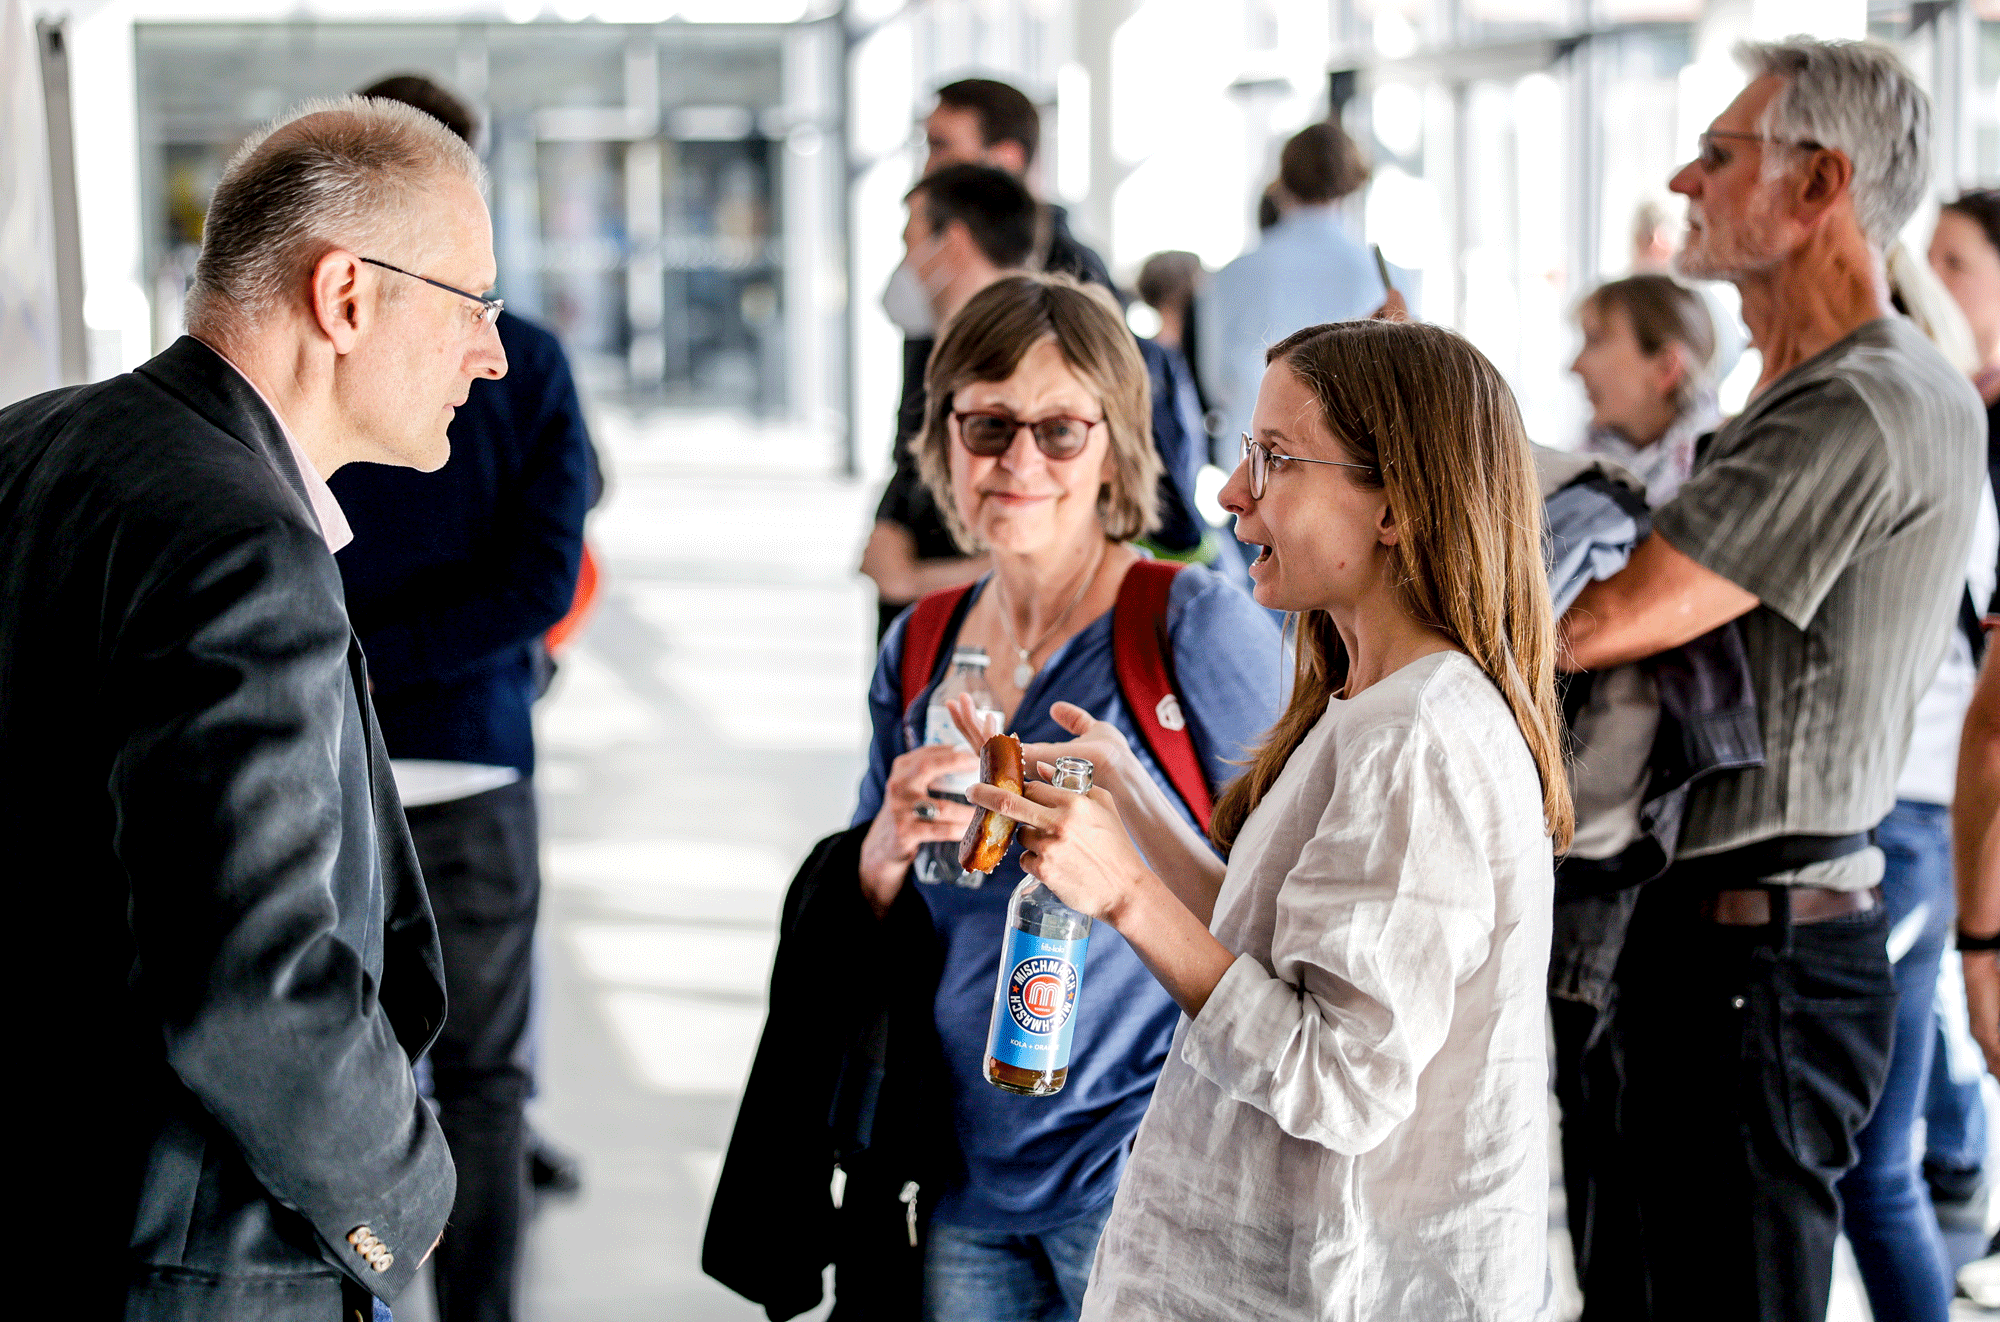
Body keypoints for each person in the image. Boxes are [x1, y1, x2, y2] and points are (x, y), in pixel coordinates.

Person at [0, 96, 500, 1318]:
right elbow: (250, 973)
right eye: (472, 305)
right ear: (345, 297)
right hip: (194, 1253)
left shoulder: (30, 445)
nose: (491, 353)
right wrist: (400, 1192)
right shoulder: (240, 539)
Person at [961, 316, 1567, 1317]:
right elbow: (1275, 947)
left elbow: (1337, 1077)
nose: (1232, 494)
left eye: (1273, 458)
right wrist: (1130, 800)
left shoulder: (1415, 737)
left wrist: (1122, 893)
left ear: (1394, 504)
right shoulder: (1372, 702)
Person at [1559, 39, 1983, 1320]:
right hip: (1706, 949)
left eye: (1720, 154)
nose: (1683, 178)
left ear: (1817, 188)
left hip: (1757, 970)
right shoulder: (1791, 393)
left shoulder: (1859, 399)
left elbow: (1604, 619)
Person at [853, 273, 1282, 1321]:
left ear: (1114, 445)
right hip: (960, 1172)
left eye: (1057, 429)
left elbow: (1284, 909)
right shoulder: (919, 643)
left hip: (1142, 1167)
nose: (1015, 462)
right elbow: (876, 906)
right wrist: (878, 853)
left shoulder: (1191, 626)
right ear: (943, 435)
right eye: (987, 424)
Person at [329, 74, 594, 1322]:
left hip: (331, 760)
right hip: (474, 761)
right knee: (485, 1078)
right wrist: (415, 657)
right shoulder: (528, 361)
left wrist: (357, 662)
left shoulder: (318, 362)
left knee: (348, 1068)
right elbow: (545, 578)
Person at [866, 78, 1116, 636]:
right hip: (928, 571)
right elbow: (918, 423)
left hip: (1000, 593)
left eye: (942, 145)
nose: (928, 165)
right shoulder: (938, 304)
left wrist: (924, 576)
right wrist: (891, 526)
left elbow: (1088, 485)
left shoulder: (1075, 283)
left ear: (1005, 159)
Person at [862, 164, 1038, 636]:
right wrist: (889, 527)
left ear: (953, 244)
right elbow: (910, 457)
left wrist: (916, 581)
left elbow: (1070, 539)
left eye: (910, 242)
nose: (907, 263)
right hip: (918, 636)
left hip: (993, 641)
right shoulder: (929, 348)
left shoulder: (1040, 360)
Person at [1199, 121, 1382, 449]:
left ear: (1283, 181)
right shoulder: (1383, 275)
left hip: (1253, 454)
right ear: (1352, 183)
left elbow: (1216, 382)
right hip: (1354, 460)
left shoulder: (1233, 275)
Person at [1570, 274, 1719, 506]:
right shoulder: (1572, 474)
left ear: (1666, 368)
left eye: (1595, 340)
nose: (1575, 366)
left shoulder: (1723, 473)